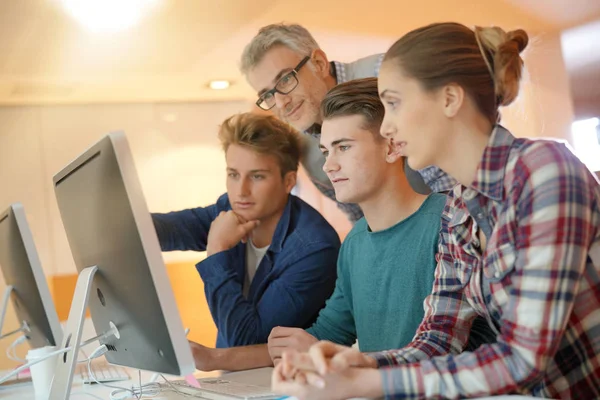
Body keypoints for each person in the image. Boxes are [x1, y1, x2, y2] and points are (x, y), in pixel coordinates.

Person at [272, 22, 600, 399]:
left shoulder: (542, 170)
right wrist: (360, 364)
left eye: (393, 103)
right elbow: (437, 339)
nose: (388, 126)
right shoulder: (459, 206)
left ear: (449, 99)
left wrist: (371, 383)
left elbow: (522, 360)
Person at [183, 79, 493, 373]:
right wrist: (212, 358)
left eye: (343, 147)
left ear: (391, 147)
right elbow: (326, 334)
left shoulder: (450, 223)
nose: (330, 165)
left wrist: (340, 359)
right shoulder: (355, 243)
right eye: (326, 151)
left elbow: (446, 351)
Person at [151, 112, 340, 349]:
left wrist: (217, 249)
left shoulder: (314, 249)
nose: (241, 191)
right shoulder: (231, 209)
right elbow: (166, 231)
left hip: (280, 381)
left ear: (289, 181)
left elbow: (246, 341)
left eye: (257, 176)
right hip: (232, 379)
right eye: (233, 175)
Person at [240, 23, 456, 223]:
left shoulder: (385, 75)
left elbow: (448, 178)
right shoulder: (307, 150)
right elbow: (361, 219)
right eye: (267, 94)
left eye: (286, 80)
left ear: (319, 63)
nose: (280, 102)